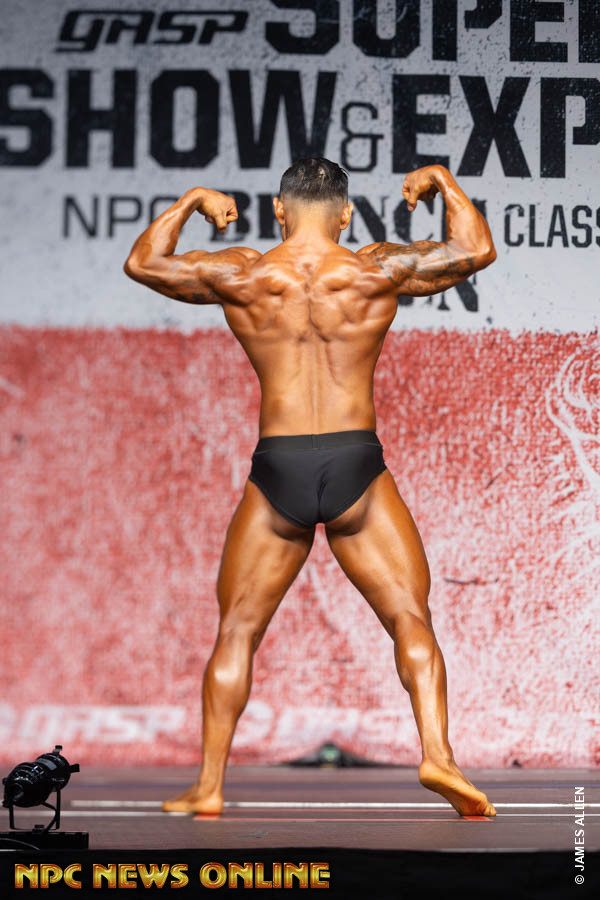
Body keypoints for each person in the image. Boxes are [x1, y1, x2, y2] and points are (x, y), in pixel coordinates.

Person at [124, 158, 497, 817]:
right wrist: (441, 181)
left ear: (279, 209)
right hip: (356, 463)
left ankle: (209, 785)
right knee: (409, 617)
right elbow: (475, 250)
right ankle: (438, 755)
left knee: (237, 629)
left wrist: (191, 200)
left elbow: (144, 264)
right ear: (347, 214)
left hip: (279, 466)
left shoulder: (244, 274)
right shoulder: (375, 269)